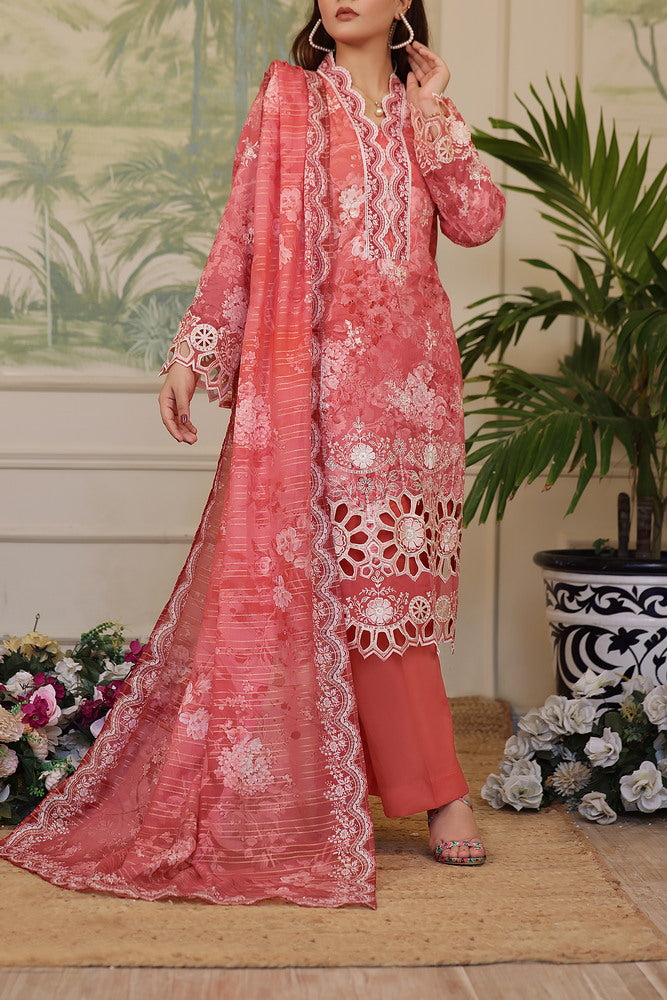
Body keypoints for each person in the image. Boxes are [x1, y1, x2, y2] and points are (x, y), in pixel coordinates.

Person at [0, 0, 504, 908]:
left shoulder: (427, 114)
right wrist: (192, 355)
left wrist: (435, 115)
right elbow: (241, 233)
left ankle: (408, 790)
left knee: (391, 595)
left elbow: (474, 221)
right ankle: (414, 793)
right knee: (323, 587)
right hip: (308, 383)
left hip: (412, 389)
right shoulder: (289, 102)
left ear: (405, 3)